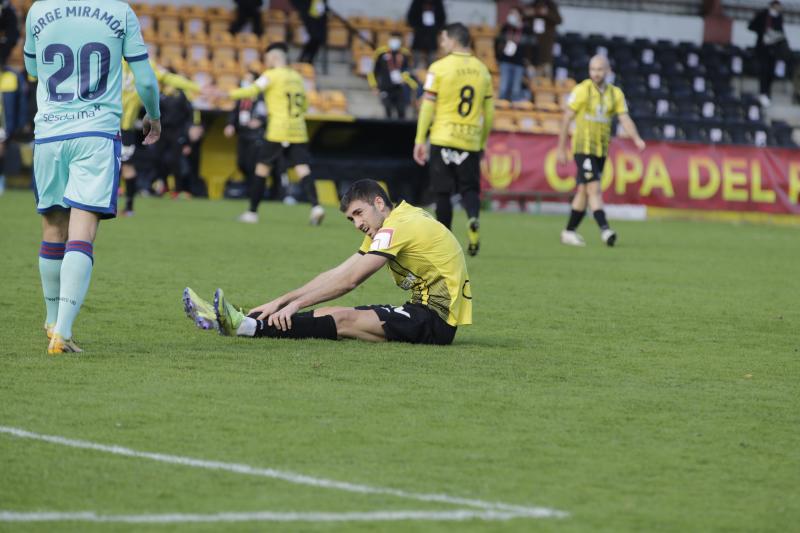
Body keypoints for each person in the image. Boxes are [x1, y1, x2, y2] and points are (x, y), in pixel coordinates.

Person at [24, 0, 161, 353]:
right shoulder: (119, 11)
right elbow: (145, 79)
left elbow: (32, 69)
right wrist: (154, 115)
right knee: (82, 232)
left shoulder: (39, 10)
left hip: (50, 135)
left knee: (53, 227)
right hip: (96, 135)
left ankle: (52, 318)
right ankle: (63, 332)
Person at [183, 179, 471, 345]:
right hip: (421, 311)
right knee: (330, 313)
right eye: (351, 219)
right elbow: (339, 271)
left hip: (436, 321)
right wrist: (280, 301)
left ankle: (246, 327)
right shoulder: (394, 222)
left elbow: (351, 280)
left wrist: (295, 304)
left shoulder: (398, 227)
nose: (357, 223)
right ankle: (242, 320)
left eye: (359, 213)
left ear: (379, 203)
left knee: (342, 319)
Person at [413, 23, 494, 256]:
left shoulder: (438, 68)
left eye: (444, 39)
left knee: (442, 191)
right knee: (469, 189)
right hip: (469, 139)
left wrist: (420, 138)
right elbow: (489, 113)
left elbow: (427, 107)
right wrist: (482, 141)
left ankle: (446, 240)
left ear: (452, 40)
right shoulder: (482, 70)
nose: (441, 43)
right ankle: (473, 219)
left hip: (443, 137)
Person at [223, 42, 324, 225]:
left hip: (278, 129)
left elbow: (252, 90)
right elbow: (305, 105)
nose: (266, 61)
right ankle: (316, 207)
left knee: (261, 168)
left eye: (268, 58)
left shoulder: (271, 75)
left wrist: (226, 94)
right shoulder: (297, 77)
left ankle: (252, 213)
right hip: (298, 129)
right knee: (302, 168)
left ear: (275, 58)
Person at [556, 55, 645, 247]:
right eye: (592, 69)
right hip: (582, 148)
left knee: (583, 191)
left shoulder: (616, 94)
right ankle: (605, 230)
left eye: (599, 69)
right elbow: (566, 119)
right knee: (594, 189)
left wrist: (636, 138)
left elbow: (624, 119)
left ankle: (569, 232)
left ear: (608, 71)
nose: (596, 73)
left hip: (601, 150)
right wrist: (561, 148)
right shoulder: (581, 90)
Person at [120, 62, 199, 215]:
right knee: (116, 167)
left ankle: (129, 207)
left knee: (127, 166)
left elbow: (169, 78)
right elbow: (168, 78)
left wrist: (198, 88)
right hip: (107, 127)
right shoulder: (132, 61)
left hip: (123, 129)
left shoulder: (141, 63)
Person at [224, 71, 266, 194]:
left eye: (248, 79)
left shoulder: (260, 96)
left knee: (252, 163)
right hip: (242, 134)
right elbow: (234, 112)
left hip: (255, 135)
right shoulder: (241, 97)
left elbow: (265, 113)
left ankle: (254, 191)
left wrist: (260, 121)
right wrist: (230, 125)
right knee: (241, 163)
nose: (245, 81)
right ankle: (249, 187)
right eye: (244, 78)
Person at [748, 0, 788, 107]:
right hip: (763, 49)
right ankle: (762, 93)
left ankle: (768, 94)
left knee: (770, 72)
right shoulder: (763, 15)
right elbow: (751, 26)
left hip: (773, 50)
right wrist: (764, 32)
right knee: (763, 71)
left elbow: (781, 32)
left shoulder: (779, 17)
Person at [368, 33, 418, 119]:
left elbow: (408, 71)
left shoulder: (405, 54)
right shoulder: (380, 53)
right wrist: (374, 86)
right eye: (393, 39)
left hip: (400, 89)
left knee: (401, 112)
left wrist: (410, 82)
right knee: (388, 111)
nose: (395, 42)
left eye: (397, 40)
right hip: (385, 87)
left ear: (401, 41)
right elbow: (372, 72)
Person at [521, 0, 562, 79]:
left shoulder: (551, 5)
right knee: (532, 80)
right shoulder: (532, 5)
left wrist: (547, 13)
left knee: (545, 79)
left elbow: (559, 20)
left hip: (546, 51)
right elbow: (522, 17)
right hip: (531, 50)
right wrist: (530, 14)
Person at [495, 7, 526, 102]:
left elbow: (532, 48)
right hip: (505, 61)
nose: (511, 16)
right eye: (510, 13)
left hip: (519, 62)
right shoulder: (505, 28)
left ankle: (514, 112)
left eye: (514, 14)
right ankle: (501, 110)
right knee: (503, 87)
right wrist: (498, 57)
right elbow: (497, 43)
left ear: (520, 16)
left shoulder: (526, 29)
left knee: (515, 89)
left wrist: (530, 62)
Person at [406, 0, 446, 69]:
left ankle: (432, 73)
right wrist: (418, 26)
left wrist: (436, 28)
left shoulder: (438, 2)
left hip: (432, 35)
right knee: (416, 57)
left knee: (432, 59)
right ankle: (416, 72)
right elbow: (411, 17)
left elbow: (442, 18)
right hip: (419, 33)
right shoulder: (417, 2)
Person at [291, 0, 328, 65]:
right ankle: (302, 59)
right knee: (313, 37)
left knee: (318, 39)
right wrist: (302, 8)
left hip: (320, 17)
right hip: (308, 15)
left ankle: (308, 60)